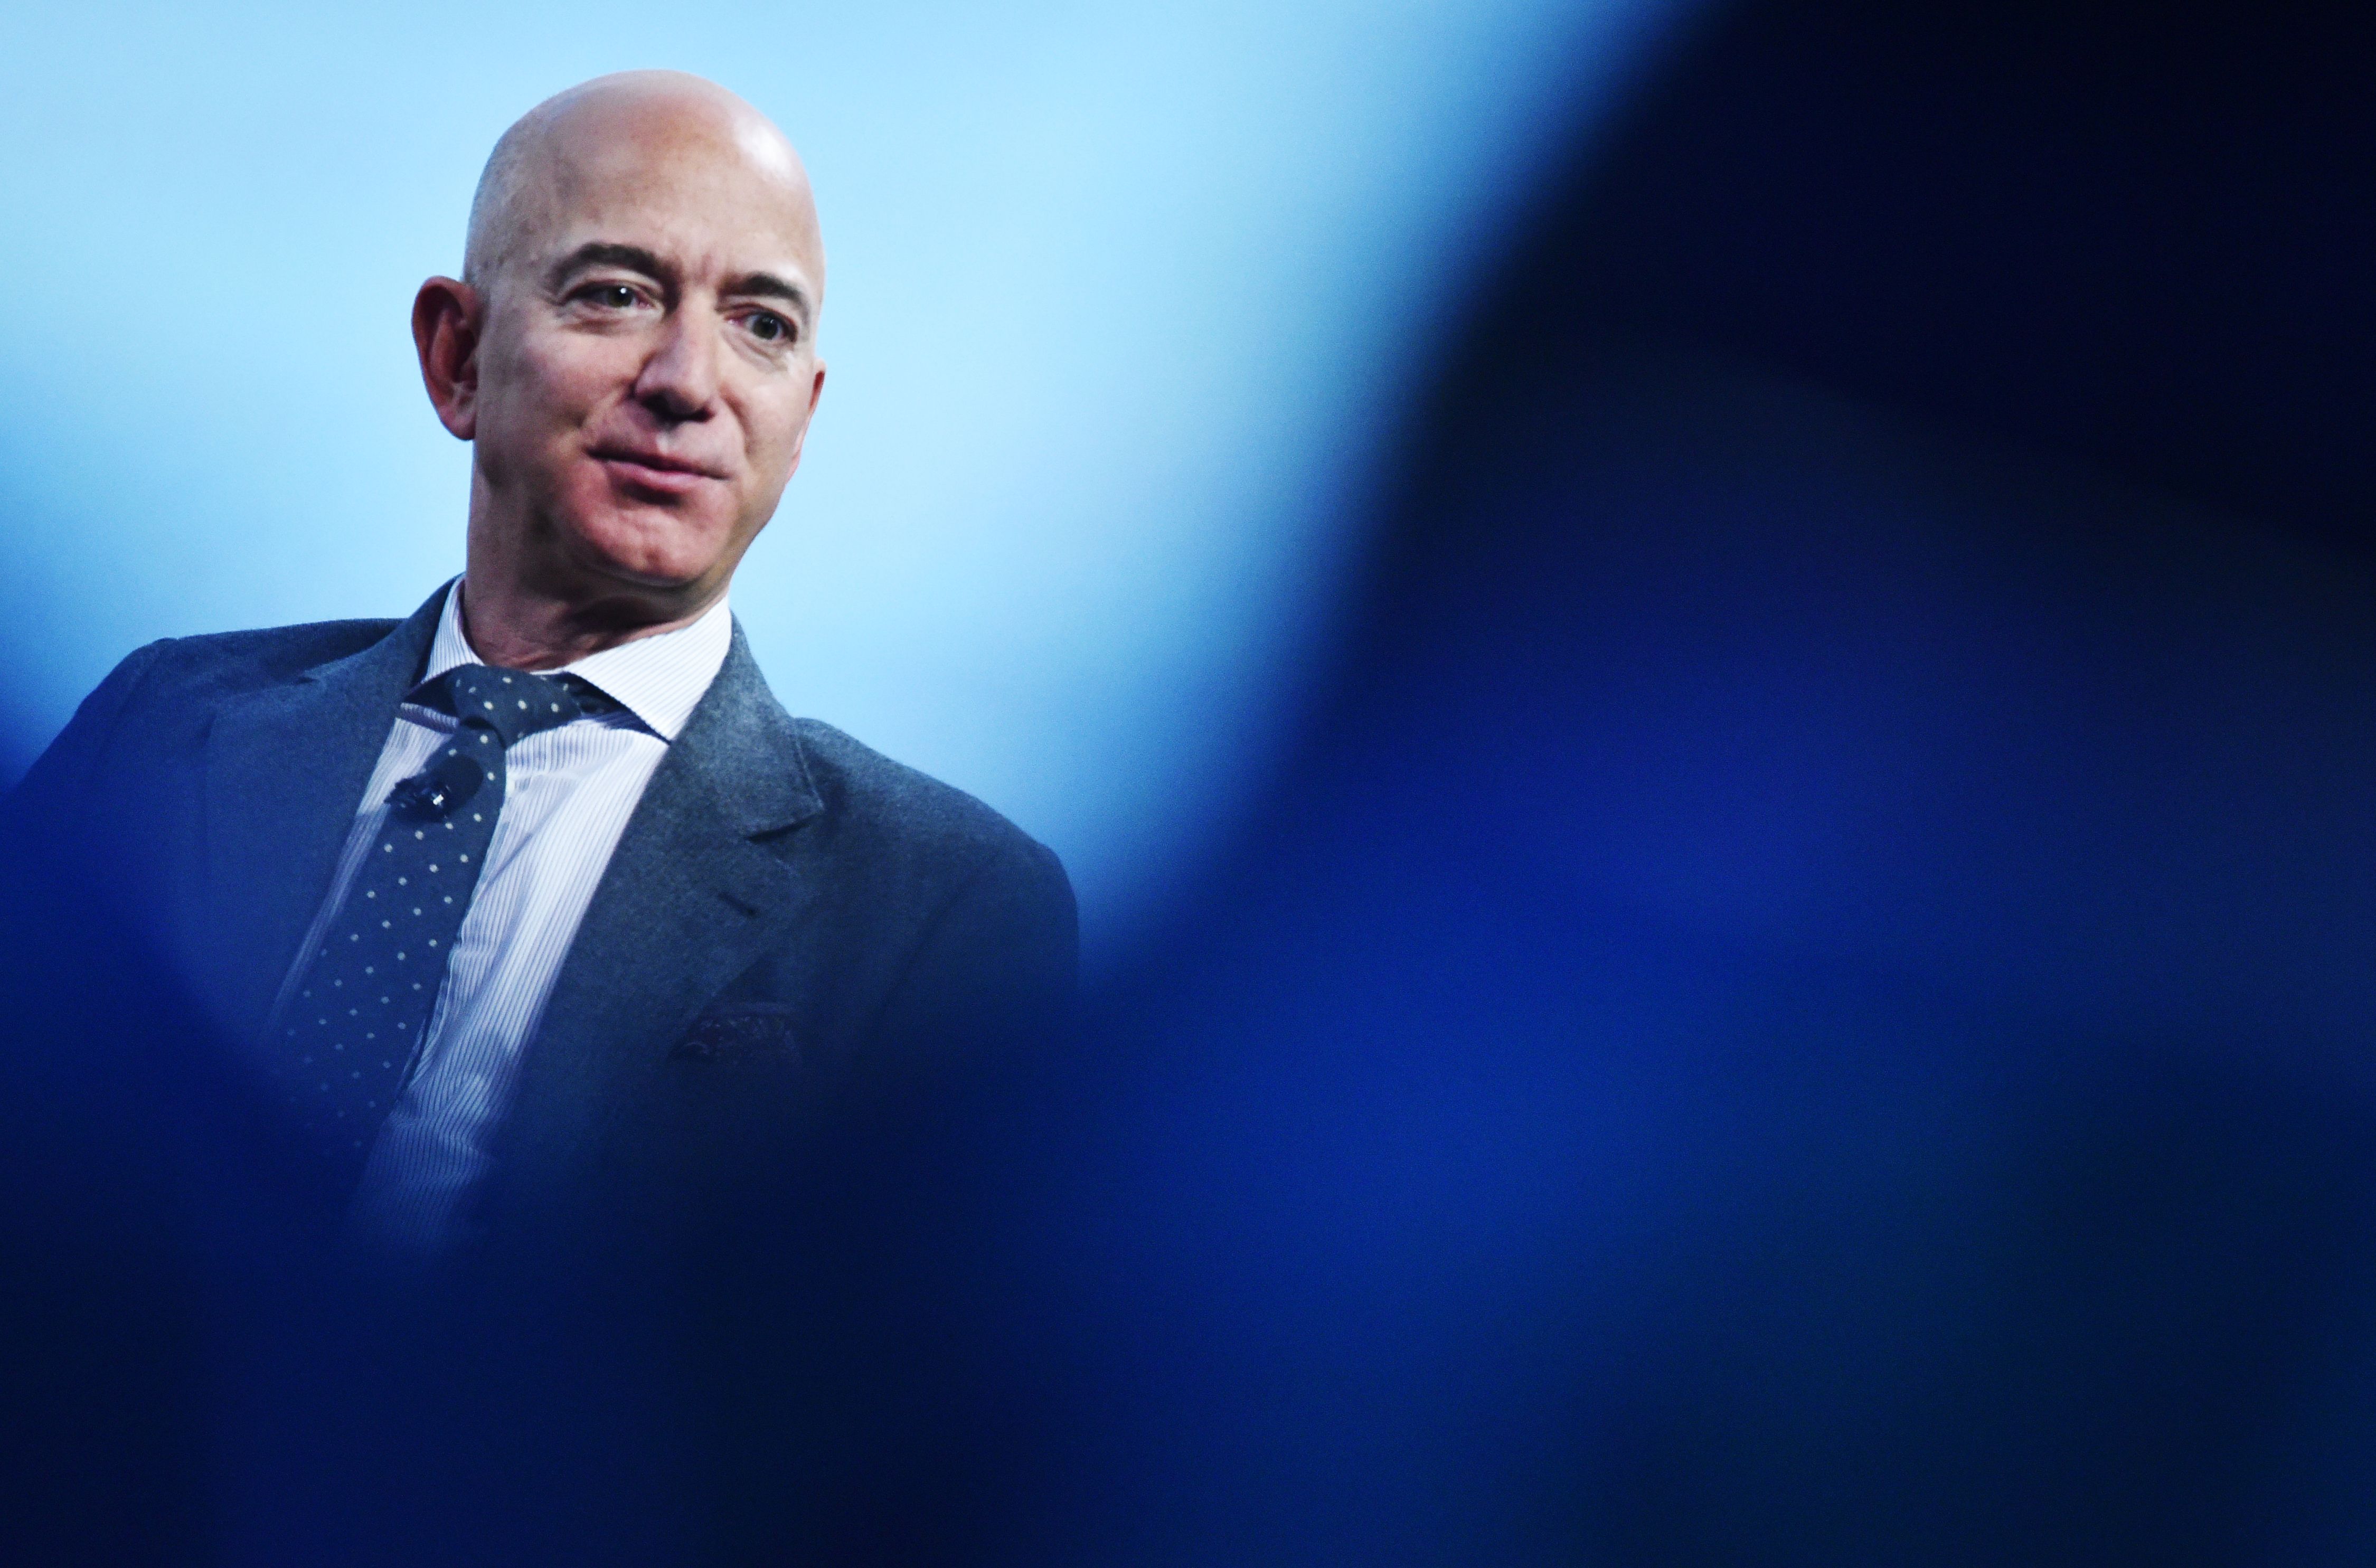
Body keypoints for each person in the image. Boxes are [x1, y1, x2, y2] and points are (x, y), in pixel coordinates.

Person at [1, 70, 1077, 1268]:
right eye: (617, 295)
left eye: (762, 326)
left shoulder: (943, 905)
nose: (690, 382)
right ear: (457, 356)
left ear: (804, 420)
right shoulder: (166, 725)